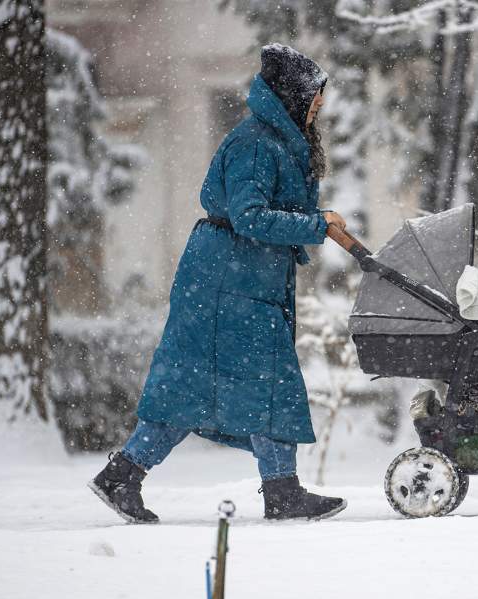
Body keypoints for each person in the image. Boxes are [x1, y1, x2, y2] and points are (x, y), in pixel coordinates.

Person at [89, 44, 348, 523]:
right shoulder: (256, 144)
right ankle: (280, 491)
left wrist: (311, 224)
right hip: (228, 283)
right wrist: (315, 224)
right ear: (292, 95)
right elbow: (249, 217)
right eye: (314, 95)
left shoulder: (276, 142)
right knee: (250, 383)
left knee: (212, 386)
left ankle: (127, 475)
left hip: (241, 280)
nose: (320, 104)